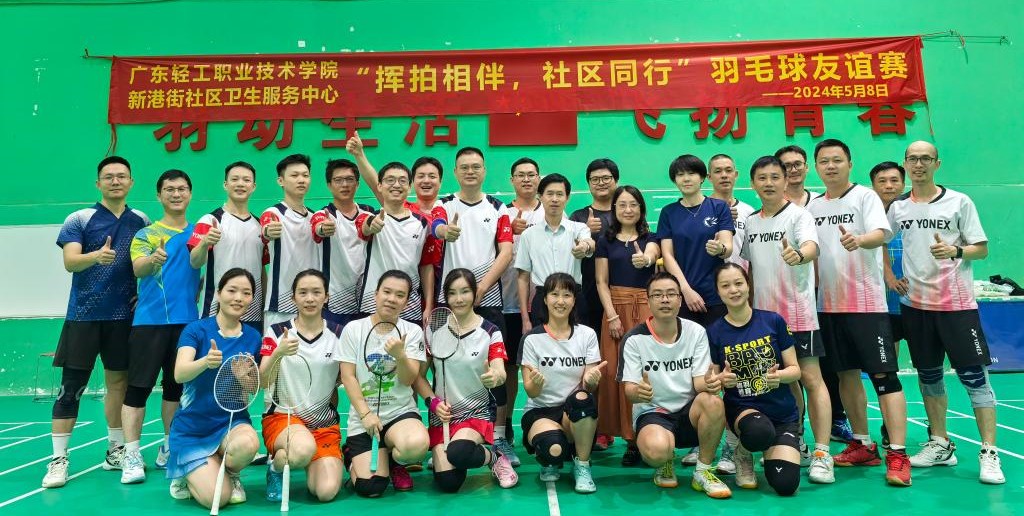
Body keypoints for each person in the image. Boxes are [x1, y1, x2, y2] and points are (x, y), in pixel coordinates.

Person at [890, 141, 1004, 485]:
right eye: (913, 159)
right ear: (905, 163)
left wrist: (955, 250)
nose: (919, 164)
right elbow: (880, 240)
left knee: (974, 378)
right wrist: (889, 277)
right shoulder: (898, 207)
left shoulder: (959, 202)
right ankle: (940, 443)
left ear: (936, 163)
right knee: (929, 377)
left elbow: (980, 249)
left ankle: (989, 452)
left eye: (926, 158)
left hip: (956, 307)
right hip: (915, 307)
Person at [807, 138, 911, 487]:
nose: (831, 166)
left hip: (866, 305)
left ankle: (898, 453)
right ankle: (863, 444)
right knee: (846, 376)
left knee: (884, 378)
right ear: (817, 167)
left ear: (849, 164)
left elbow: (882, 233)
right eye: (824, 161)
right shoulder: (813, 206)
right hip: (828, 306)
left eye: (837, 160)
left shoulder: (865, 197)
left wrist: (859, 240)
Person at [43, 156, 150, 489]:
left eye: (121, 176)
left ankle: (116, 450)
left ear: (131, 182)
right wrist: (96, 256)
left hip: (123, 318)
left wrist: (142, 296)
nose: (115, 181)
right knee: (71, 387)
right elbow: (70, 262)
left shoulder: (141, 220)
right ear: (98, 183)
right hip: (83, 317)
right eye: (108, 176)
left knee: (119, 384)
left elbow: (144, 264)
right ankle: (58, 460)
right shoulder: (79, 219)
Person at [742, 156, 833, 483]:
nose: (768, 183)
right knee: (784, 381)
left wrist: (800, 254)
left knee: (810, 379)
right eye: (762, 178)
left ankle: (823, 453)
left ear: (785, 181)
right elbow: (751, 270)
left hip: (798, 315)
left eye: (774, 177)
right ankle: (798, 440)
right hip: (765, 320)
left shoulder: (799, 215)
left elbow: (811, 247)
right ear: (752, 184)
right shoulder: (751, 222)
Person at [618, 272, 731, 499]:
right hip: (654, 412)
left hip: (688, 412)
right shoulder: (633, 339)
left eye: (671, 294)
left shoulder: (696, 332)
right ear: (648, 301)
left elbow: (699, 382)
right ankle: (665, 461)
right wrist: (639, 392)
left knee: (713, 402)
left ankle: (703, 471)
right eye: (658, 295)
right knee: (657, 451)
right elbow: (629, 390)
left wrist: (711, 383)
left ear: (680, 300)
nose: (665, 300)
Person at [121, 169, 201, 485]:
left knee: (175, 389)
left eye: (182, 188)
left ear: (190, 194)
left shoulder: (198, 234)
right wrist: (154, 259)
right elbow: (138, 269)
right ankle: (131, 454)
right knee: (138, 389)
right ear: (159, 195)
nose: (176, 194)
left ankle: (169, 446)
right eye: (169, 189)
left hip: (187, 323)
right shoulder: (147, 234)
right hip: (149, 323)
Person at [415, 268, 518, 491]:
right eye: (452, 293)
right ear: (446, 297)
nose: (459, 299)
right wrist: (433, 403)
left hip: (476, 413)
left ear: (474, 294)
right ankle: (461, 456)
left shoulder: (490, 331)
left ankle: (494, 457)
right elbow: (419, 377)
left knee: (458, 452)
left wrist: (495, 377)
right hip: (442, 416)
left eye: (465, 291)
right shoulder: (435, 330)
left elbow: (500, 370)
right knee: (448, 483)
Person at [166, 268, 262, 507]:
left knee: (249, 444)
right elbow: (179, 373)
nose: (238, 298)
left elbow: (254, 388)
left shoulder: (253, 336)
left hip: (232, 423)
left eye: (246, 293)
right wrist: (205, 362)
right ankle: (185, 476)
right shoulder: (196, 330)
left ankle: (231, 472)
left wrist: (244, 377)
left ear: (252, 298)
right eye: (232, 290)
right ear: (219, 293)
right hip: (193, 430)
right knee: (217, 499)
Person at [778, 144, 852, 443]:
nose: (793, 169)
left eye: (798, 164)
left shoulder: (820, 204)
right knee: (789, 368)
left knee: (829, 365)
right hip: (790, 298)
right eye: (786, 166)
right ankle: (793, 430)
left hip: (826, 294)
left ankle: (836, 420)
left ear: (807, 167)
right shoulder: (771, 208)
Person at [707, 264, 803, 496]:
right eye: (726, 286)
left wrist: (780, 376)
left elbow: (795, 370)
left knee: (786, 484)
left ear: (748, 285)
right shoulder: (714, 331)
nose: (734, 290)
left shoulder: (773, 321)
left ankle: (768, 450)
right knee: (759, 432)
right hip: (744, 410)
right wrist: (722, 379)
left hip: (782, 414)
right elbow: (712, 379)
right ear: (718, 292)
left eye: (738, 283)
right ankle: (742, 452)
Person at [339, 270, 430, 497]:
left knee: (416, 446)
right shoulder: (353, 329)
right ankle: (351, 457)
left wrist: (400, 355)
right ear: (376, 294)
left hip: (400, 413)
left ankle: (394, 461)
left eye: (400, 295)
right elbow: (348, 376)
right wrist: (365, 414)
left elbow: (408, 380)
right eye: (387, 292)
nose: (391, 299)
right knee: (371, 488)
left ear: (407, 302)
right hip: (365, 418)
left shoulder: (412, 331)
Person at [260, 270, 346, 502]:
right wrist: (278, 353)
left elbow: (346, 377)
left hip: (323, 424)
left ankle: (324, 459)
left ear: (326, 297)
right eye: (303, 293)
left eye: (316, 292)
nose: (310, 298)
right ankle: (276, 467)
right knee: (301, 450)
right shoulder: (276, 332)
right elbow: (262, 381)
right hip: (284, 418)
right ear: (293, 298)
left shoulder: (338, 334)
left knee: (325, 492)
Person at [520, 273, 605, 494]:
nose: (560, 301)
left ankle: (582, 465)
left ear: (574, 300)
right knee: (552, 449)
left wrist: (591, 381)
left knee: (583, 399)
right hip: (541, 411)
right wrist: (537, 384)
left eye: (567, 295)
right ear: (545, 299)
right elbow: (531, 391)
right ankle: (552, 454)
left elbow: (588, 386)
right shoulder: (532, 339)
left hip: (573, 412)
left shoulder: (587, 335)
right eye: (554, 294)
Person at [594, 185, 659, 465]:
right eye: (622, 205)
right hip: (615, 310)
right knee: (614, 374)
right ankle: (625, 437)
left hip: (645, 309)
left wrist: (646, 259)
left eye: (633, 204)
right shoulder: (605, 241)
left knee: (644, 373)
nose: (628, 209)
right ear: (614, 210)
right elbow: (601, 282)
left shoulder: (650, 238)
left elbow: (653, 253)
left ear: (641, 209)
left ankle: (642, 436)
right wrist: (611, 316)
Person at [568, 159, 619, 450]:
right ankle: (592, 422)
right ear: (588, 184)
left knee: (616, 364)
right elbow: (569, 250)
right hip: (586, 298)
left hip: (619, 298)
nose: (601, 183)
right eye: (595, 179)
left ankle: (619, 424)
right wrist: (585, 232)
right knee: (588, 364)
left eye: (606, 177)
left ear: (616, 180)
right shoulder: (578, 216)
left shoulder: (624, 210)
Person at [497, 156, 545, 465]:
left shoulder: (550, 210)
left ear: (539, 178)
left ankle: (545, 427)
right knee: (508, 371)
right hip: (507, 305)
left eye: (531, 174)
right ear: (512, 180)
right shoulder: (501, 213)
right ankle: (503, 431)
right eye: (520, 175)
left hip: (544, 307)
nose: (526, 179)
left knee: (546, 368)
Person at [355, 162, 439, 325]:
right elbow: (365, 227)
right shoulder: (369, 217)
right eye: (390, 180)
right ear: (379, 186)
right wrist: (372, 226)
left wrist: (429, 306)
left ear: (409, 187)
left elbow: (426, 266)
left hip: (410, 307)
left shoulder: (423, 224)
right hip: (372, 305)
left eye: (402, 181)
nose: (396, 185)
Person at [657, 154, 735, 328]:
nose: (686, 179)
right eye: (680, 175)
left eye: (691, 173)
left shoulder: (719, 207)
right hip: (682, 294)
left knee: (717, 341)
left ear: (702, 178)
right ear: (675, 180)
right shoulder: (668, 212)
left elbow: (727, 247)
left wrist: (720, 249)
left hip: (716, 293)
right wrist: (685, 290)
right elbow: (667, 255)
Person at [188, 161, 267, 332]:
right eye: (235, 179)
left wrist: (264, 305)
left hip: (252, 312)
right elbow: (195, 262)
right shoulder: (210, 220)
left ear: (253, 186)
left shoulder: (260, 225)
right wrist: (204, 243)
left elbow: (261, 270)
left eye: (246, 180)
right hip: (216, 310)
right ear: (225, 184)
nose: (240, 184)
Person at [515, 174, 595, 330]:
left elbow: (589, 243)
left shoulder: (579, 228)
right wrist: (525, 319)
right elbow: (523, 278)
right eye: (550, 194)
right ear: (540, 197)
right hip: (542, 300)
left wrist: (584, 247)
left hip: (573, 297)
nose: (554, 199)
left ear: (567, 198)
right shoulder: (528, 235)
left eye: (559, 194)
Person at [311, 158, 376, 327]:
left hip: (367, 300)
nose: (345, 185)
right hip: (334, 301)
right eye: (338, 180)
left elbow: (368, 226)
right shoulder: (322, 215)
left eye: (349, 179)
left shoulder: (369, 212)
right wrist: (323, 228)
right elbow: (318, 227)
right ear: (329, 185)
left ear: (358, 184)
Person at [871, 161, 907, 448]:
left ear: (903, 183)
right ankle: (888, 428)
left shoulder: (912, 213)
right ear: (873, 186)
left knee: (927, 371)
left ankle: (937, 433)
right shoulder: (869, 218)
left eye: (894, 180)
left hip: (918, 303)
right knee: (888, 370)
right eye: (882, 181)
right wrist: (889, 277)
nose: (889, 186)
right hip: (884, 308)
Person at [261, 154, 320, 328]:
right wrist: (268, 231)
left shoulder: (315, 217)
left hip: (311, 304)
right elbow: (266, 229)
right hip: (280, 305)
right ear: (281, 181)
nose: (301, 180)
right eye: (294, 175)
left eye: (305, 175)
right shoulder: (273, 213)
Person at [708, 154, 755, 269]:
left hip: (741, 276)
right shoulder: (701, 210)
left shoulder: (749, 211)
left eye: (728, 170)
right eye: (718, 171)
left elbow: (754, 251)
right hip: (710, 276)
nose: (724, 175)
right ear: (709, 177)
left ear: (736, 174)